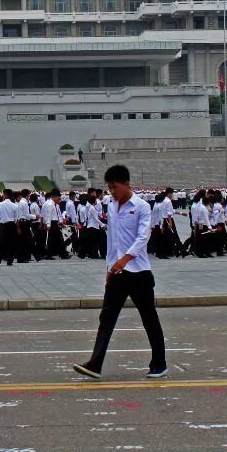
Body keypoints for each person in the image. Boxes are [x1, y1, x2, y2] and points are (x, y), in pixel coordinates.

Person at [74, 163, 167, 380]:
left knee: (149, 318)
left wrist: (125, 259)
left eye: (115, 187)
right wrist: (110, 268)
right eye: (109, 188)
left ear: (127, 184)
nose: (112, 192)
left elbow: (143, 237)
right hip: (117, 273)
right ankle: (95, 364)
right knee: (106, 318)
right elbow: (113, 241)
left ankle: (159, 363)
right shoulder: (112, 207)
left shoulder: (142, 206)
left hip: (139, 273)